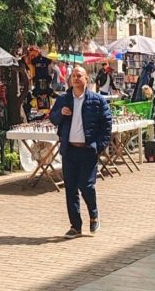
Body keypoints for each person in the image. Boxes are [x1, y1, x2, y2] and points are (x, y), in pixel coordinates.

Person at [49, 64, 112, 238]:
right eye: (73, 76)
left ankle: (93, 214)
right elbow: (53, 119)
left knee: (86, 185)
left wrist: (98, 147)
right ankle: (75, 226)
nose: (76, 78)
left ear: (87, 79)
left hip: (88, 151)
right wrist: (60, 113)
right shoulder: (64, 99)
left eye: (79, 76)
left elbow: (106, 125)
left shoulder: (97, 100)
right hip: (69, 150)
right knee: (70, 188)